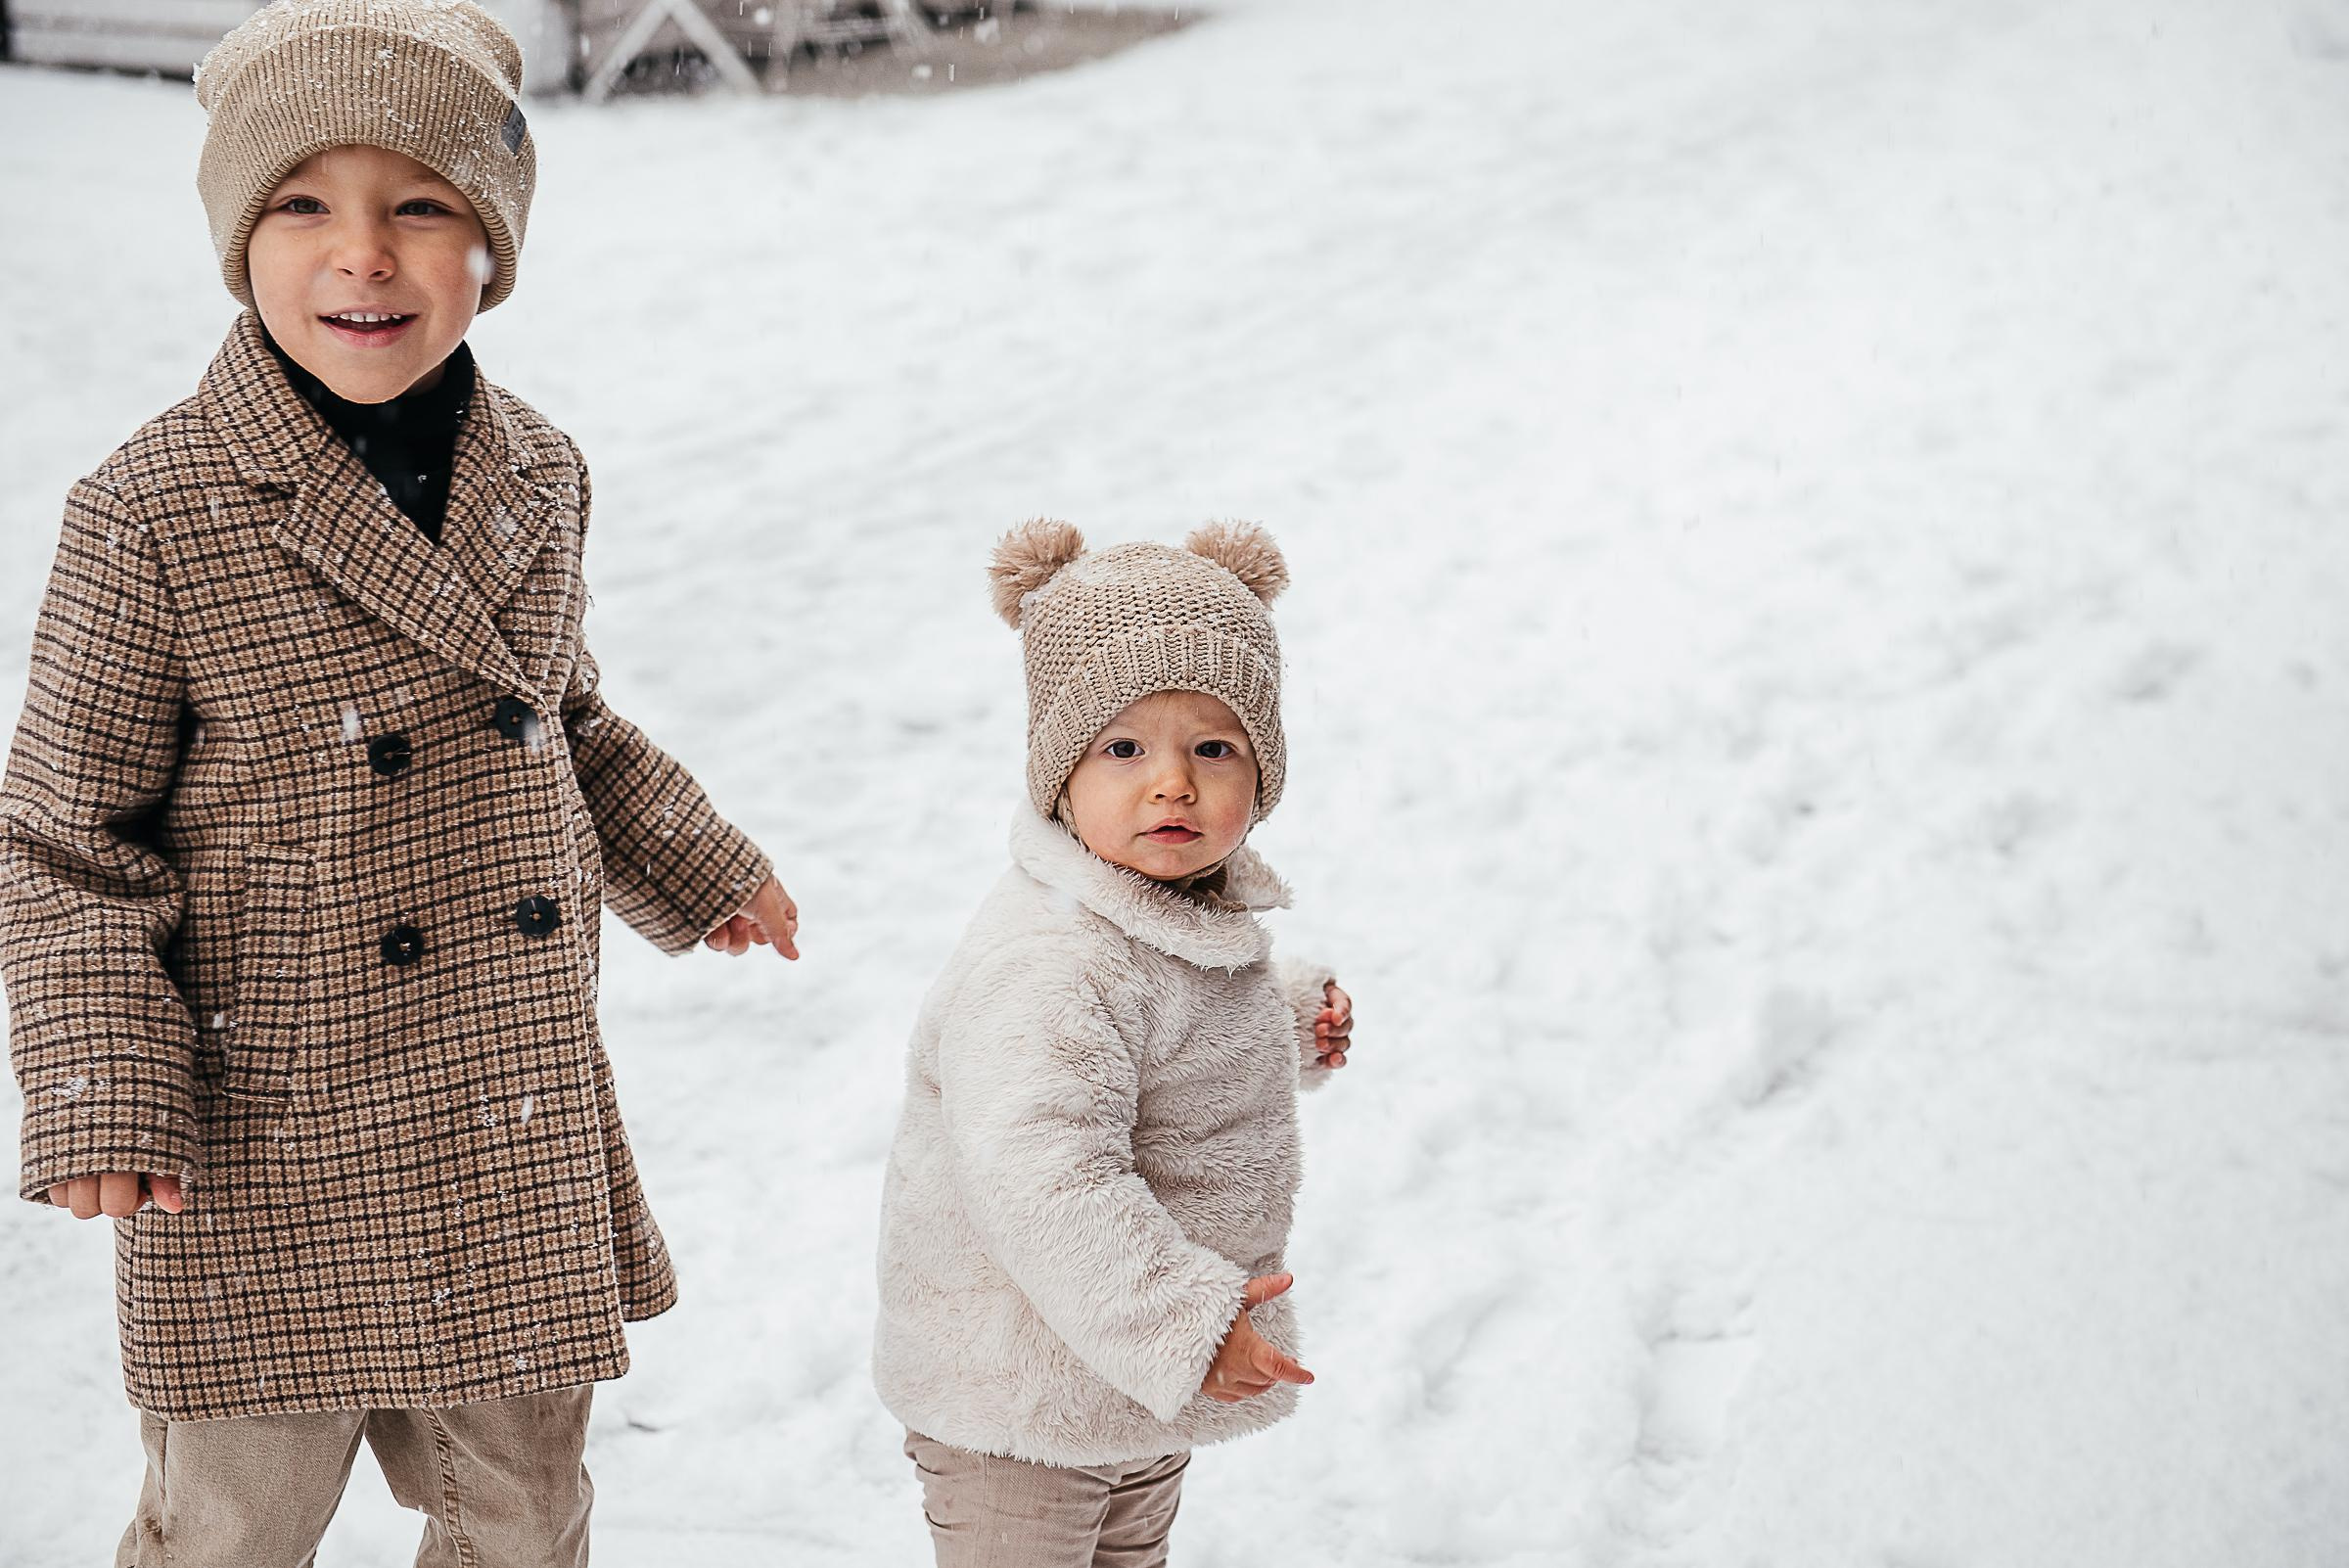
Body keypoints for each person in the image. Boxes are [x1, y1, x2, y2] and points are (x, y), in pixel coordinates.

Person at [0, 3, 799, 1562]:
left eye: (419, 207)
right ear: (241, 242)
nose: (360, 255)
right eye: (302, 204)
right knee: (234, 1519)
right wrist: (102, 1072)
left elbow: (558, 715)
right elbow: (61, 840)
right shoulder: (151, 509)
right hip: (267, 1124)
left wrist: (699, 864)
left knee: (523, 1504)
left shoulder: (539, 471)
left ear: (490, 248)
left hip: (500, 1108)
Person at [873, 518, 1359, 1565]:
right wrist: (1185, 1325)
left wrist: (1283, 1021)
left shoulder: (1161, 913)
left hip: (1123, 1393)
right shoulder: (1048, 959)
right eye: (1124, 747)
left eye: (1212, 748)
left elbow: (1164, 1043)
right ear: (1059, 771)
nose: (1171, 782)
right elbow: (1041, 1172)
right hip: (1019, 1409)